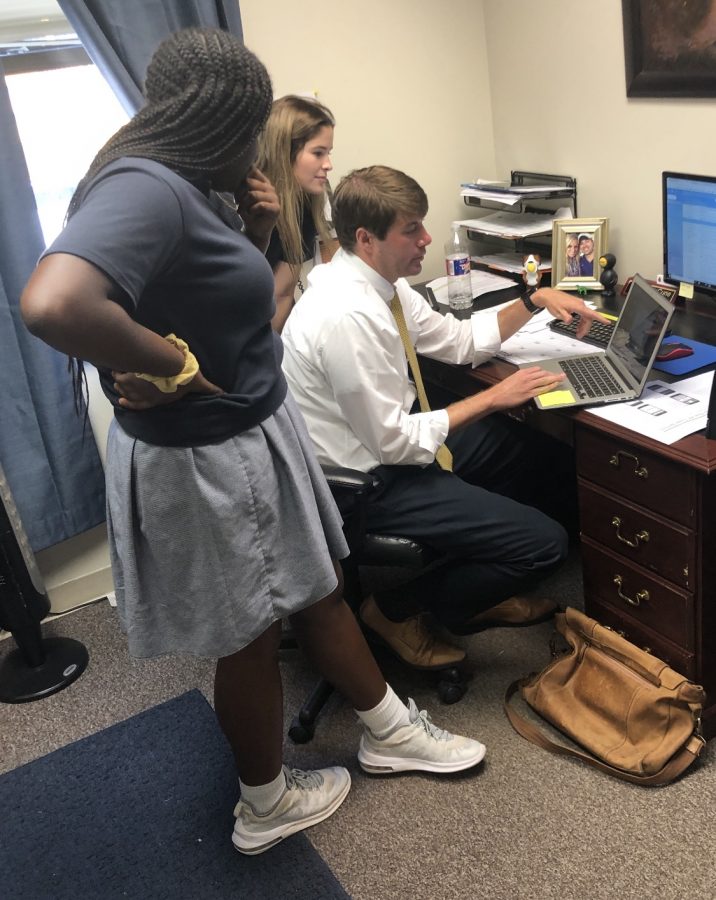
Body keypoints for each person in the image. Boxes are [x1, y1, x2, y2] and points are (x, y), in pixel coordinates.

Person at [19, 30, 487, 858]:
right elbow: (55, 302)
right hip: (211, 452)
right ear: (222, 118)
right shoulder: (147, 186)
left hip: (248, 430)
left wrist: (261, 239)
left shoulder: (188, 182)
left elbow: (210, 299)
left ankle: (387, 731)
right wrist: (170, 364)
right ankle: (266, 803)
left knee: (320, 588)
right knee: (252, 635)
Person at [281, 165, 610, 669]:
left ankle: (477, 588)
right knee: (545, 545)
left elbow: (457, 343)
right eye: (411, 229)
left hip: (394, 437)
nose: (427, 239)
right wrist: (493, 398)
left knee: (544, 458)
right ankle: (395, 610)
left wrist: (533, 299)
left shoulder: (379, 283)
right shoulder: (346, 315)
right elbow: (393, 443)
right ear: (366, 238)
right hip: (367, 479)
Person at [257, 94, 336, 332]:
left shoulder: (303, 205)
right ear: (284, 151)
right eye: (318, 153)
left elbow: (281, 294)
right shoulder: (238, 205)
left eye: (329, 152)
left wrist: (267, 356)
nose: (328, 164)